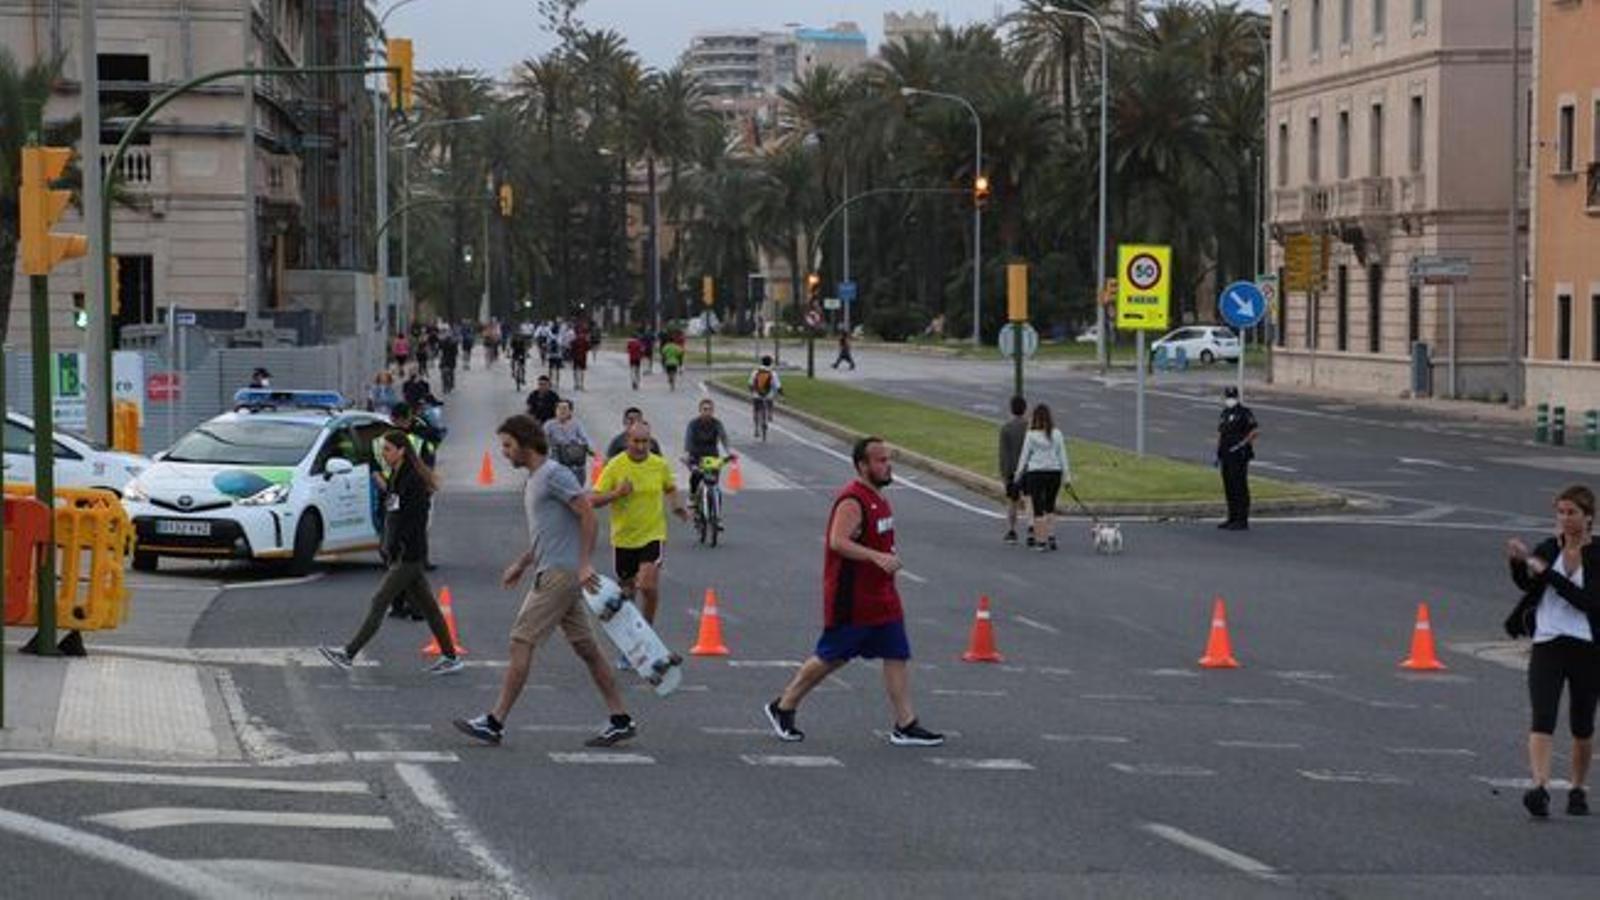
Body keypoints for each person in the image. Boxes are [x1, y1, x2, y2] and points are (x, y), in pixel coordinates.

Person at [452, 416, 637, 748]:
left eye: (508, 445)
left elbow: (587, 514)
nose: (505, 453)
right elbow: (550, 530)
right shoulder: (537, 479)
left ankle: (494, 722)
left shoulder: (553, 474)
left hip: (560, 576)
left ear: (524, 443)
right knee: (588, 650)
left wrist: (583, 565)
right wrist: (523, 563)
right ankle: (621, 718)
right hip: (554, 571)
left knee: (521, 641)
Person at [763, 437, 943, 747]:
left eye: (888, 459)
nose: (888, 465)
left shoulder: (879, 498)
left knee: (896, 653)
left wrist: (885, 559)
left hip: (882, 596)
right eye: (881, 460)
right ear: (863, 466)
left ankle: (906, 723)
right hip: (853, 597)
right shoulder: (852, 499)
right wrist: (877, 557)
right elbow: (837, 541)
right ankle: (783, 705)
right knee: (832, 656)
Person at [319, 431, 463, 674]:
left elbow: (413, 520)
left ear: (401, 450)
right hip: (404, 553)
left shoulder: (413, 479)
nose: (383, 454)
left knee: (379, 601)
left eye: (387, 450)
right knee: (429, 608)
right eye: (383, 450)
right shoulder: (398, 474)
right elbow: (393, 512)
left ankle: (348, 653)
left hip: (408, 555)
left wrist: (399, 547)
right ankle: (451, 657)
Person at [1505, 484, 1600, 818]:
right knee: (1542, 715)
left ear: (1588, 517)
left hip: (1588, 647)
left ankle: (1577, 787)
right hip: (1548, 643)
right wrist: (1518, 564)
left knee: (1582, 723)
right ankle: (1540, 787)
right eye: (1560, 512)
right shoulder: (1549, 547)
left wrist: (1550, 576)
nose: (1564, 519)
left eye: (1571, 512)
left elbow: (1589, 602)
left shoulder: (1597, 554)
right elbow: (1531, 585)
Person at [592, 423, 690, 663]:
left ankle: (648, 637)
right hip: (624, 538)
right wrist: (617, 493)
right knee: (627, 593)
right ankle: (631, 645)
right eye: (636, 442)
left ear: (650, 442)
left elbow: (669, 487)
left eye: (645, 442)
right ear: (628, 441)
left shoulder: (658, 464)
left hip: (653, 534)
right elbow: (593, 499)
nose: (640, 446)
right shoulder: (615, 466)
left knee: (647, 585)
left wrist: (677, 505)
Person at [1013, 404, 1069, 553]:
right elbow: (1062, 456)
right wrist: (1067, 476)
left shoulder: (1031, 435)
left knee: (1038, 508)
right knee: (1050, 506)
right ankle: (1051, 536)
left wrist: (1018, 473)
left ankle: (1041, 540)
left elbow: (1024, 456)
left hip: (1036, 473)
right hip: (1054, 472)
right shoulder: (1057, 434)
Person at [1216, 386, 1258, 530]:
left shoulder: (1244, 413)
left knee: (1239, 486)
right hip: (1226, 454)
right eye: (1228, 397)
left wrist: (1242, 445)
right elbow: (1221, 433)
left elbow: (1254, 431)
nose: (1230, 400)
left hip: (1239, 454)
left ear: (1237, 397)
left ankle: (1242, 519)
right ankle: (1232, 517)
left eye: (1232, 397)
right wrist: (1218, 452)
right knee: (1229, 486)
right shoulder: (1225, 413)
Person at [682, 398, 733, 501]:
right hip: (696, 456)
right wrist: (687, 454)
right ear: (700, 410)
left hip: (712, 457)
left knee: (713, 481)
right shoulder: (693, 424)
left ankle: (713, 501)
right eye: (705, 409)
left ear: (713, 411)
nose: (707, 412)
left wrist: (729, 452)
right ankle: (692, 495)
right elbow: (688, 439)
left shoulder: (717, 424)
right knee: (696, 476)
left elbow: (724, 438)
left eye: (710, 409)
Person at [998, 395, 1031, 546]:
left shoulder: (1006, 428)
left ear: (1011, 410)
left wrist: (1004, 473)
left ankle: (1012, 530)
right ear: (1025, 410)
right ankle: (1031, 527)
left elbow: (1003, 453)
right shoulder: (1030, 428)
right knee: (1030, 499)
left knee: (1012, 501)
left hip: (1012, 468)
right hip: (1029, 469)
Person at [544, 399, 595, 487]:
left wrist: (590, 448)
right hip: (556, 454)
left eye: (565, 409)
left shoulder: (576, 424)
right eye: (559, 408)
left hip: (572, 453)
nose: (562, 411)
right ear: (555, 411)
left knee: (579, 469)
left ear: (570, 412)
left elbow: (585, 438)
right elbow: (542, 439)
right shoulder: (549, 425)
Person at [748, 355, 782, 435]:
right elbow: (777, 386)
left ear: (761, 362)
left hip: (757, 394)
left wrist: (751, 392)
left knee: (756, 409)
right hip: (768, 394)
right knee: (770, 401)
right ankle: (770, 413)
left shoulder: (755, 372)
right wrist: (781, 395)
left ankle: (756, 429)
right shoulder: (772, 373)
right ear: (770, 363)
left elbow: (750, 384)